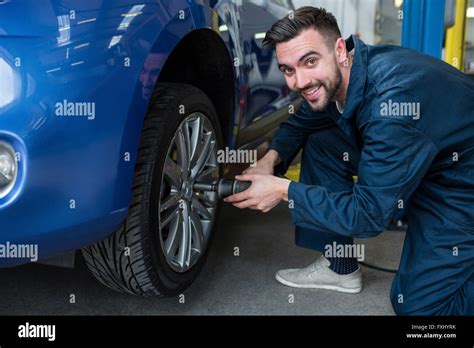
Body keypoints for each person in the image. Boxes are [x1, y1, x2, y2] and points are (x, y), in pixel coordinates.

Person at [224, 6, 474, 315]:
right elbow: (301, 123)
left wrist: (282, 190)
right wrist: (271, 159)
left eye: (309, 62)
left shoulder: (391, 104)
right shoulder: (344, 74)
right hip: (427, 159)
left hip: (460, 185)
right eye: (288, 69)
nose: (299, 81)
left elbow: (368, 215)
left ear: (339, 49)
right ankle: (340, 266)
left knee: (420, 308)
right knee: (321, 141)